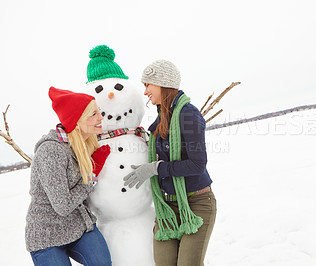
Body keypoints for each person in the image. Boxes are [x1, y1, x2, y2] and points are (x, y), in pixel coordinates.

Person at [123, 60, 217, 266]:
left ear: (163, 83)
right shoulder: (160, 121)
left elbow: (197, 164)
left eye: (148, 85)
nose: (145, 91)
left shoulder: (188, 115)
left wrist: (156, 168)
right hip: (168, 207)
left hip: (196, 204)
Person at [25, 87, 112, 266]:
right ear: (77, 121)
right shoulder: (51, 151)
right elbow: (63, 206)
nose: (101, 117)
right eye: (94, 114)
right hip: (46, 235)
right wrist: (92, 176)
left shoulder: (83, 142)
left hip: (78, 225)